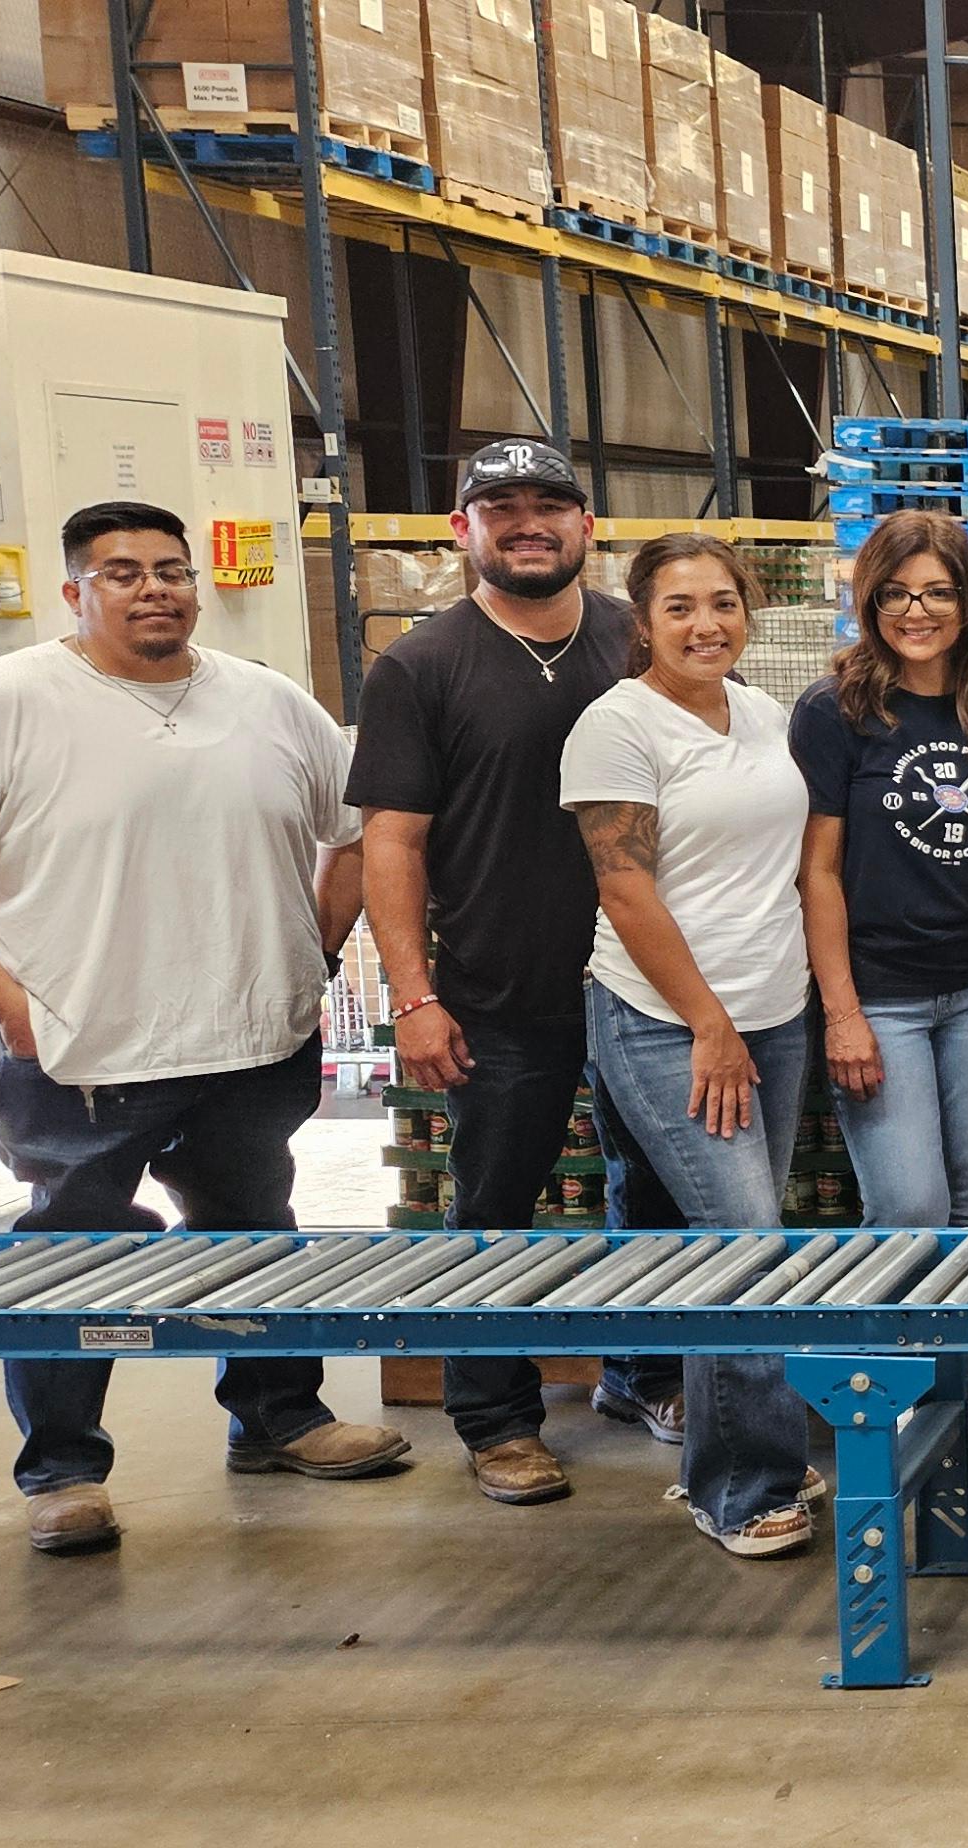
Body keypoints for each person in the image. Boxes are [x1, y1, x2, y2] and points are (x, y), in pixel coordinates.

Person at [0, 500, 407, 1556]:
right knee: (71, 1249)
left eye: (169, 569)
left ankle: (280, 1414)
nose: (152, 588)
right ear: (75, 592)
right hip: (81, 1051)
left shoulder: (270, 704)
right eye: (120, 573)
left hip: (252, 1038)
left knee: (254, 1230)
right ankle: (63, 1468)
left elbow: (353, 836)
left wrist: (313, 953)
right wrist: (7, 1006)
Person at [349, 438, 682, 1507]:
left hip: (642, 986)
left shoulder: (640, 643)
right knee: (495, 1206)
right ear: (463, 530)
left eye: (551, 505)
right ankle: (494, 1419)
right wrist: (415, 993)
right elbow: (391, 844)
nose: (527, 523)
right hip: (502, 991)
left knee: (663, 1193)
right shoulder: (418, 666)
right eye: (502, 507)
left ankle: (645, 1375)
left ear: (589, 527)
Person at [561, 534, 825, 1559]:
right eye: (680, 607)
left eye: (723, 603)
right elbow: (623, 887)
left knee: (710, 1232)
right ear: (644, 623)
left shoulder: (760, 714)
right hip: (666, 1022)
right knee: (746, 1243)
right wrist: (709, 1022)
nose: (706, 623)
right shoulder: (616, 727)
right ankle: (737, 1481)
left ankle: (708, 1418)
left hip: (776, 1012)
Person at [792, 511, 968, 1473]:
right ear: (870, 600)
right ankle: (895, 1394)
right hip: (884, 997)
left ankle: (956, 1394)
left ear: (967, 602)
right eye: (897, 593)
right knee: (907, 1206)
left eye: (937, 592)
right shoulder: (837, 712)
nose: (917, 610)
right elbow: (817, 872)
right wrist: (844, 1012)